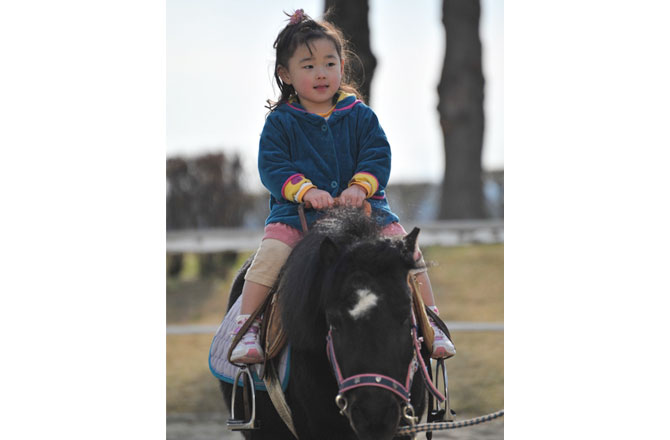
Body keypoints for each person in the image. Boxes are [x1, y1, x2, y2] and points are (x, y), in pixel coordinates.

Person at [231, 9, 455, 363]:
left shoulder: (360, 115)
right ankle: (247, 327)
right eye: (308, 66)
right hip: (296, 215)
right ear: (285, 74)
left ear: (341, 65)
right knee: (270, 256)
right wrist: (305, 191)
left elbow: (377, 155)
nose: (321, 73)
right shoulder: (280, 123)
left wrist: (360, 187)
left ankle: (431, 321)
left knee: (406, 252)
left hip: (367, 212)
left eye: (329, 63)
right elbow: (272, 166)